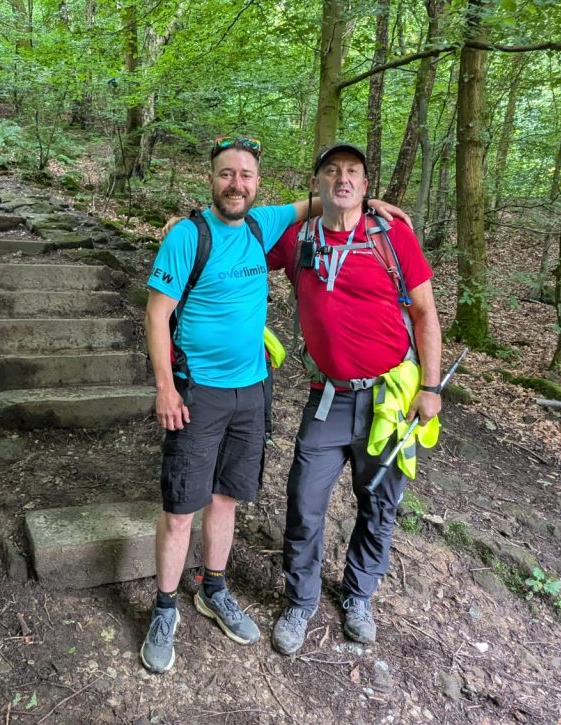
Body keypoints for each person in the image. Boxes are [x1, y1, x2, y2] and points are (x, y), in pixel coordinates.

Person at [139, 137, 408, 674]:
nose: (236, 183)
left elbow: (326, 201)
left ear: (258, 183)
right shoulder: (188, 237)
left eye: (245, 175)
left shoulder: (265, 224)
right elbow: (154, 315)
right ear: (210, 179)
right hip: (197, 393)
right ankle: (164, 607)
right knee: (179, 510)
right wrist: (165, 388)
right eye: (225, 174)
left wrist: (369, 204)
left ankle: (212, 589)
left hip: (253, 392)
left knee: (226, 499)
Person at [266, 143, 443, 656]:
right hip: (327, 397)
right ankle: (300, 601)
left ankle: (359, 595)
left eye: (353, 173)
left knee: (379, 504)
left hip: (388, 399)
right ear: (318, 183)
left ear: (366, 186)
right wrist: (187, 231)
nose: (342, 178)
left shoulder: (393, 237)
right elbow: (238, 243)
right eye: (331, 171)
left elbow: (425, 315)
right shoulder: (299, 239)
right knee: (303, 503)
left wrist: (430, 388)